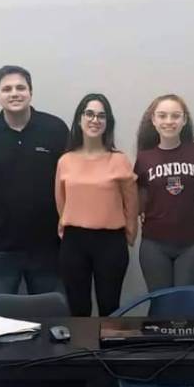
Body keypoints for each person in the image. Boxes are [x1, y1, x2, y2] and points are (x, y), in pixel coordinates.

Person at [0, 65, 68, 302]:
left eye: (20, 87)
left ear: (31, 92)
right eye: (7, 89)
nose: (14, 93)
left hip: (49, 246)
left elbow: (71, 181)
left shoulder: (55, 129)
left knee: (52, 315)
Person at [55, 93, 138, 316]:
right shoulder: (66, 160)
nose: (95, 120)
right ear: (79, 119)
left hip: (110, 242)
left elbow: (131, 203)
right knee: (78, 309)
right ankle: (82, 342)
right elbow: (61, 201)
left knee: (109, 308)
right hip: (74, 242)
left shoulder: (119, 160)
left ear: (108, 122)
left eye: (101, 116)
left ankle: (108, 342)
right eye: (89, 114)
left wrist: (130, 233)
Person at [134, 94, 194, 291]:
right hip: (154, 244)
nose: (169, 121)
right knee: (161, 304)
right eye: (162, 115)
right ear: (153, 120)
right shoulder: (143, 158)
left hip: (191, 244)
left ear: (184, 120)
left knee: (186, 302)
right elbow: (140, 199)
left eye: (175, 116)